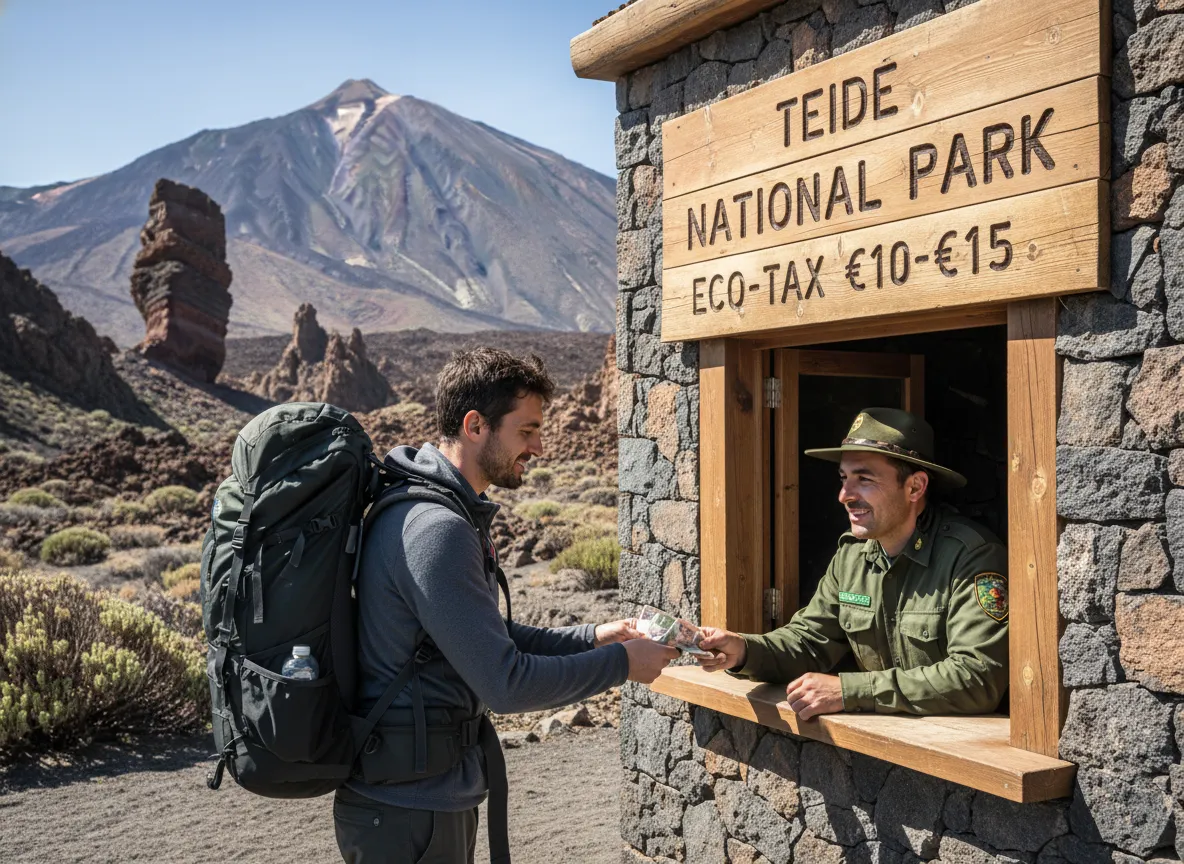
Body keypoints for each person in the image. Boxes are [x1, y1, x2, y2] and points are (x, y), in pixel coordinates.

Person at [334, 347, 677, 864]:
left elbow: (486, 636)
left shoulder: (435, 508)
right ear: (475, 425)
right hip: (408, 809)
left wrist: (598, 636)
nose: (539, 447)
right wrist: (625, 664)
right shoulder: (437, 529)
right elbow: (505, 683)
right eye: (526, 431)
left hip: (414, 796)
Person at [698, 407, 1009, 719]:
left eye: (864, 479)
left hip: (950, 753)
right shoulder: (852, 555)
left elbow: (977, 679)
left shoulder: (971, 556)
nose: (844, 495)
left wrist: (849, 692)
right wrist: (745, 651)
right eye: (844, 478)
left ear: (915, 487)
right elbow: (810, 640)